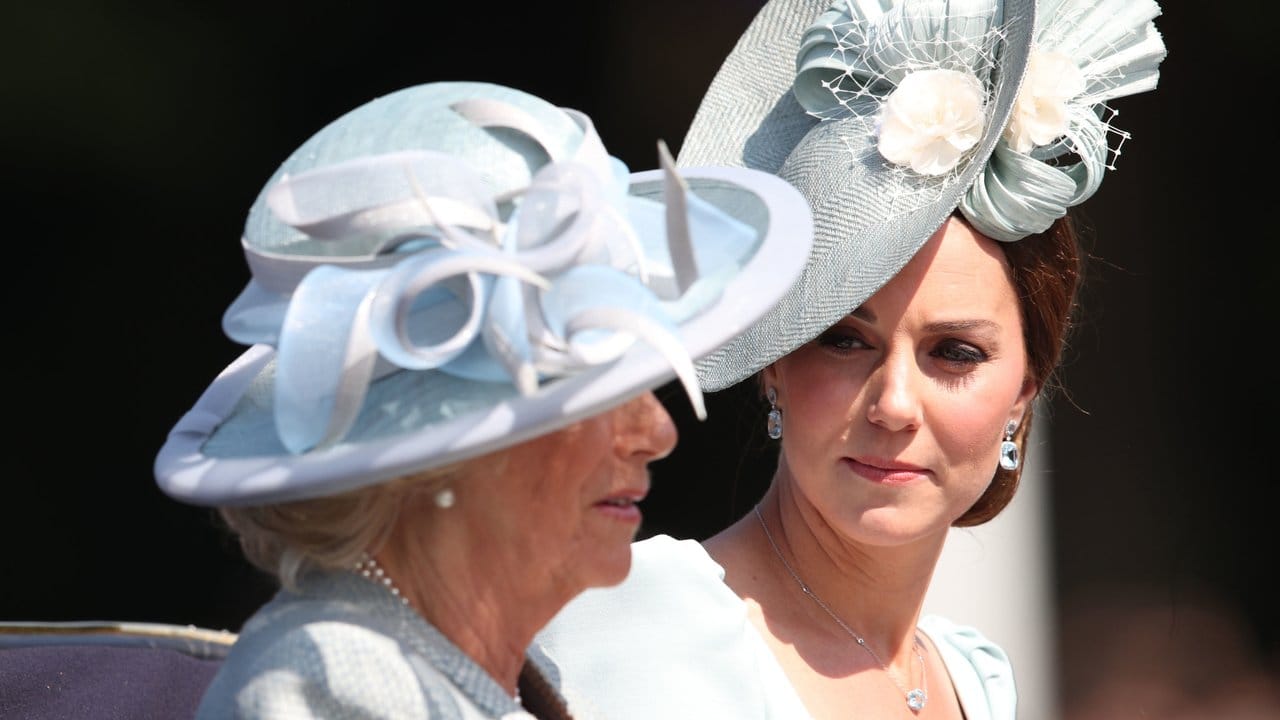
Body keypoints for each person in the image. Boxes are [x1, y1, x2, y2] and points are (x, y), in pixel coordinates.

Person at [534, 1, 1166, 718]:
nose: (894, 403)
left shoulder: (976, 681)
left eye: (954, 353)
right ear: (774, 358)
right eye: (844, 341)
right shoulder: (639, 627)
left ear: (1024, 392)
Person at [153, 80, 813, 719]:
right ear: (443, 454)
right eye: (590, 392)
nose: (656, 431)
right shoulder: (332, 681)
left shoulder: (506, 671)